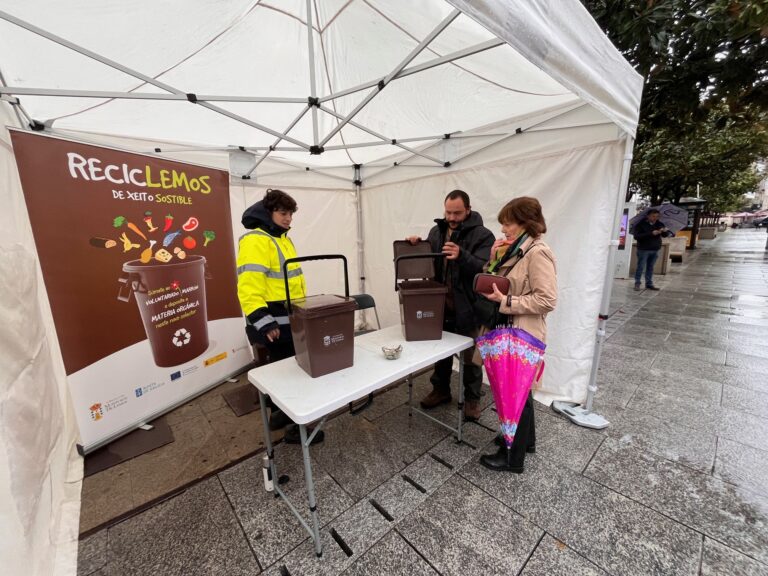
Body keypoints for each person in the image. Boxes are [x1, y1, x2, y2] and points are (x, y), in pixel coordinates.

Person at [237, 188, 324, 444]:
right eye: (283, 213)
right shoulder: (256, 240)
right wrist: (264, 322)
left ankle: (278, 416)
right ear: (268, 212)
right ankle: (296, 431)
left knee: (286, 370)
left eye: (290, 214)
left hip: (288, 316)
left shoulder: (282, 238)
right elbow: (248, 285)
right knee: (290, 375)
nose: (288, 219)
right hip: (273, 320)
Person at [477, 196, 557, 472]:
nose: (503, 230)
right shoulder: (517, 250)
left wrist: (507, 302)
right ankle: (526, 442)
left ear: (525, 223)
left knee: (515, 395)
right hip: (509, 331)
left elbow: (547, 300)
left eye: (507, 223)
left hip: (522, 334)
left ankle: (513, 459)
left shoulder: (537, 252)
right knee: (521, 393)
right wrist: (493, 259)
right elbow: (498, 282)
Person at [406, 190, 495, 421]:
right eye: (448, 212)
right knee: (441, 353)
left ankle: (473, 399)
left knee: (471, 358)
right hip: (440, 306)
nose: (452, 217)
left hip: (469, 308)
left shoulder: (483, 235)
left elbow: (486, 270)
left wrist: (462, 255)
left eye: (457, 212)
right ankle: (441, 390)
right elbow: (428, 262)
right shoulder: (437, 231)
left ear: (468, 209)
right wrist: (416, 245)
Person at [632, 209, 672, 291]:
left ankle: (649, 284)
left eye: (657, 216)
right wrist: (651, 233)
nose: (655, 218)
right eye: (653, 216)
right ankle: (637, 283)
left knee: (650, 267)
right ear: (648, 216)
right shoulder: (641, 224)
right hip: (643, 249)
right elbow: (637, 236)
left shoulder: (659, 224)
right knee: (641, 267)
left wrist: (665, 231)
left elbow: (664, 235)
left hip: (655, 249)